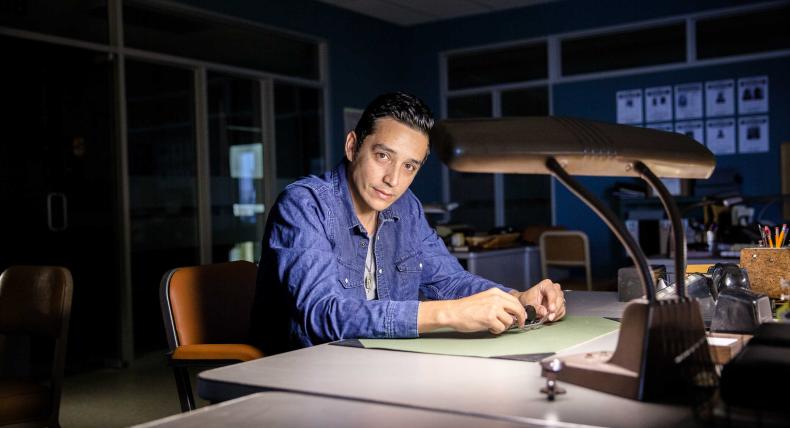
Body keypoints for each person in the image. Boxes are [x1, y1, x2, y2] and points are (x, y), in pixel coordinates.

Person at [251, 92, 565, 355]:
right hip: (301, 376)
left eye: (409, 166)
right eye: (383, 156)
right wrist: (447, 314)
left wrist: (516, 299)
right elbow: (322, 316)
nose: (393, 179)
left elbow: (449, 281)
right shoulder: (304, 205)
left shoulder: (406, 207)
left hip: (377, 367)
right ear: (352, 147)